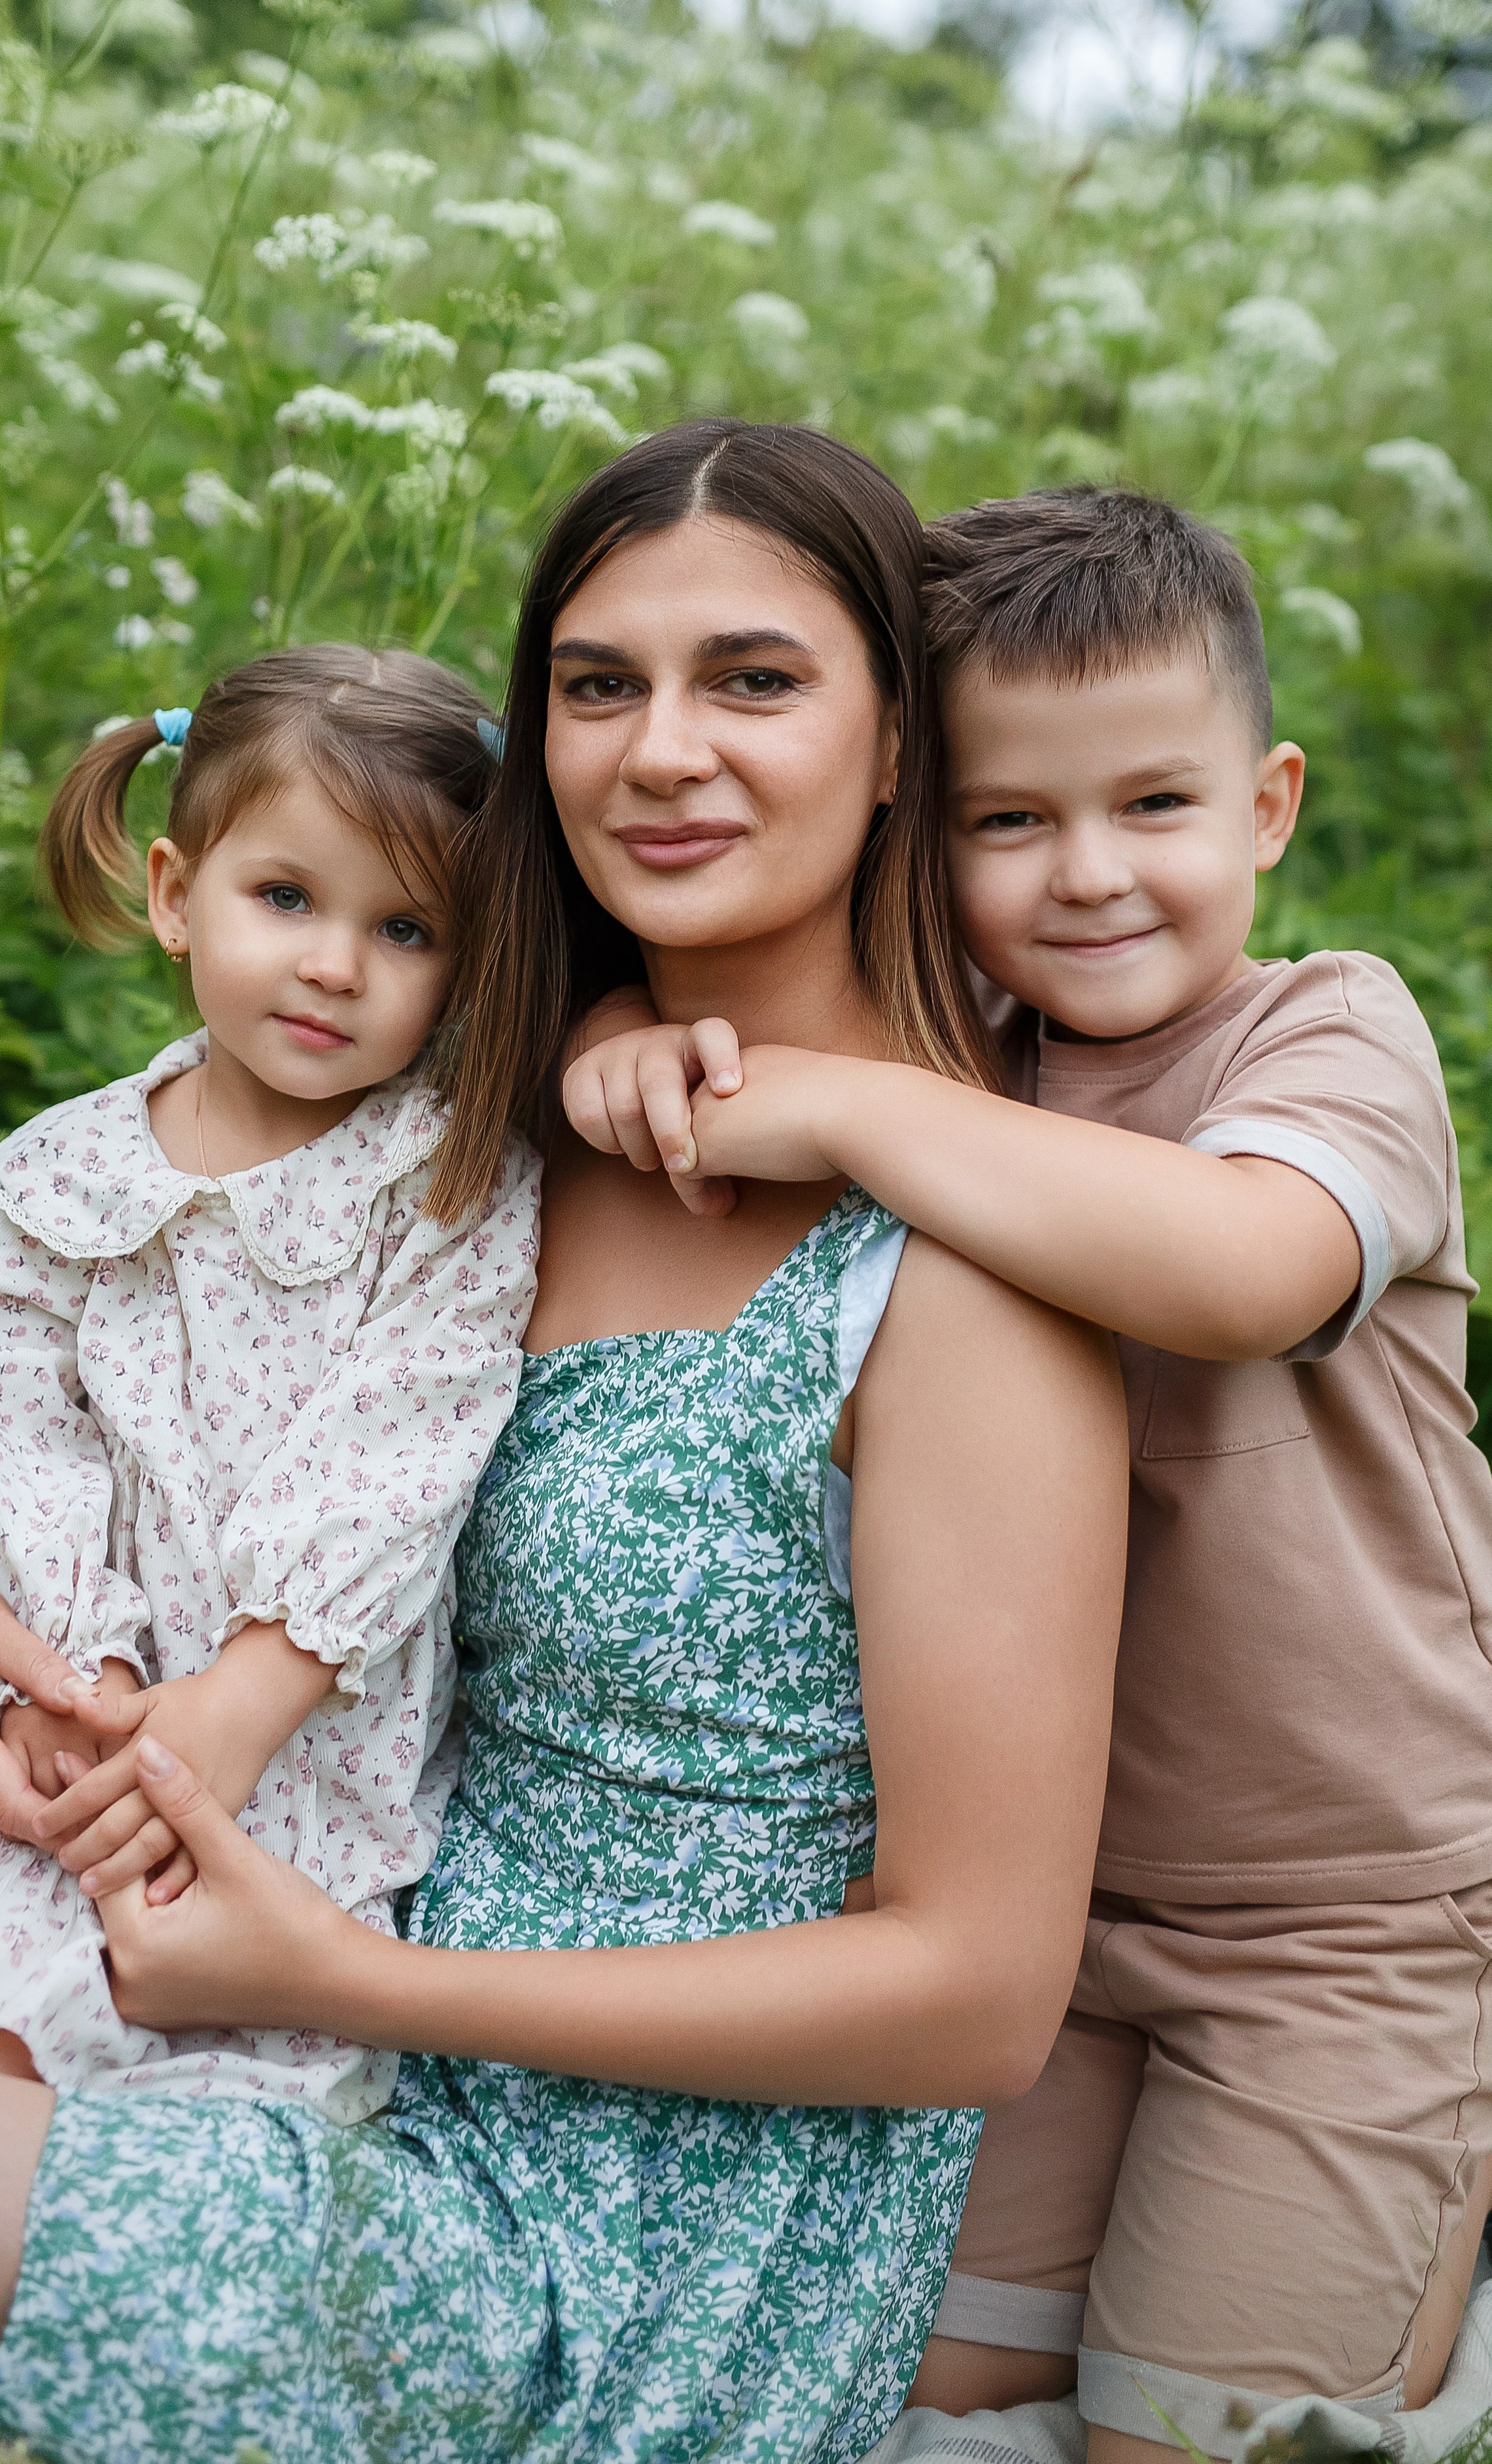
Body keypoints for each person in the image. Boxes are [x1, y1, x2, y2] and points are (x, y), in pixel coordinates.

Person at [0, 421, 1126, 2462]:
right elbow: (138, 1390)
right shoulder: (456, 1140)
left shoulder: (960, 1278)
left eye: (755, 681)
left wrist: (356, 1984)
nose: (661, 748)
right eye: (599, 685)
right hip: (284, 2047)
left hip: (602, 2269)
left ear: (897, 746)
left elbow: (974, 1993)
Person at [563, 486, 1492, 2461]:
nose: (1087, 879)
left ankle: (1424, 2245)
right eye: (1009, 820)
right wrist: (617, 1042)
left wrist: (838, 1103)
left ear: (1268, 804)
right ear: (927, 818)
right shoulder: (970, 1063)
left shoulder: (1330, 1040)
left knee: (1196, 2435)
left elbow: (1242, 1267)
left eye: (1154, 805)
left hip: (1351, 1920)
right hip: (1051, 1932)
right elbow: (704, 1010)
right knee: (912, 2389)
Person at [0, 644, 540, 2120]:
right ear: (172, 894)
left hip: (285, 1749)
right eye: (285, 899)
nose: (334, 963)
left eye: (403, 929)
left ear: (464, 970)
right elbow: (8, 1415)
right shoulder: (65, 1176)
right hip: (67, 1707)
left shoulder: (444, 1182)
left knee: (88, 2075)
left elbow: (402, 1451)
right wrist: (88, 1661)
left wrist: (238, 1703)